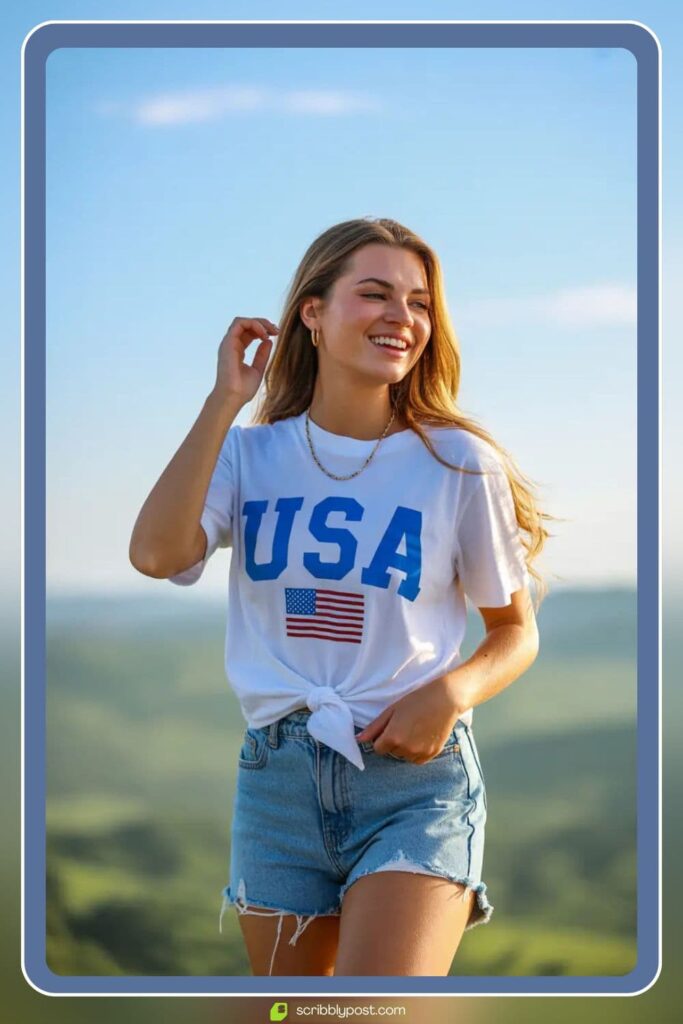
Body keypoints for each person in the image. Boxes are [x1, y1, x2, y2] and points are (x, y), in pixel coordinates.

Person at [129, 217, 552, 977]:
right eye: (375, 293)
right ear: (312, 313)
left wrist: (450, 694)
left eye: (420, 303)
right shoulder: (247, 454)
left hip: (411, 777)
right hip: (277, 781)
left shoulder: (457, 462)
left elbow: (514, 631)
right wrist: (227, 399)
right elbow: (158, 553)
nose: (403, 316)